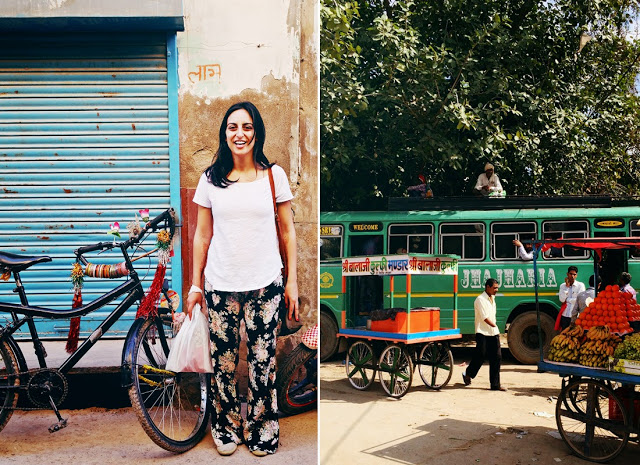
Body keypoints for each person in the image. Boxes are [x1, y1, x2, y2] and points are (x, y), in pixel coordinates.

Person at [187, 101, 298, 457]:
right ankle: (226, 426)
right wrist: (194, 285)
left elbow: (288, 232)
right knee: (223, 362)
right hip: (220, 284)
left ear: (257, 133)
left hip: (265, 284)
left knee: (262, 361)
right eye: (233, 127)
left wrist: (291, 281)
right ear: (224, 134)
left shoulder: (272, 176)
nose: (240, 134)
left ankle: (263, 427)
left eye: (247, 127)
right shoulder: (210, 179)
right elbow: (201, 236)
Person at [462, 279, 506, 391]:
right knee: (480, 356)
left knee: (497, 357)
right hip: (482, 332)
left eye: (497, 287)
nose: (496, 290)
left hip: (493, 332)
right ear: (487, 287)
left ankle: (495, 385)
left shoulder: (493, 298)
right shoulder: (480, 300)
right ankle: (467, 373)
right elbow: (484, 317)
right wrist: (495, 326)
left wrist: (495, 329)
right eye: (494, 288)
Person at [558, 266, 585, 330]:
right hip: (565, 315)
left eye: (574, 274)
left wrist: (567, 300)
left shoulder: (580, 285)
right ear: (567, 274)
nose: (572, 276)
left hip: (576, 316)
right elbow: (561, 299)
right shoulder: (563, 286)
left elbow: (580, 300)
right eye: (571, 274)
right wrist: (567, 287)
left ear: (576, 275)